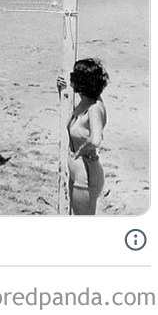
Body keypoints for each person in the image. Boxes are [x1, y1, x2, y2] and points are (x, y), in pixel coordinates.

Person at [57, 59, 109, 215]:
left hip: (86, 175)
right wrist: (62, 91)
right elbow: (72, 119)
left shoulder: (94, 108)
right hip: (78, 171)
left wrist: (82, 150)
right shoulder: (85, 102)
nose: (71, 77)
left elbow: (96, 140)